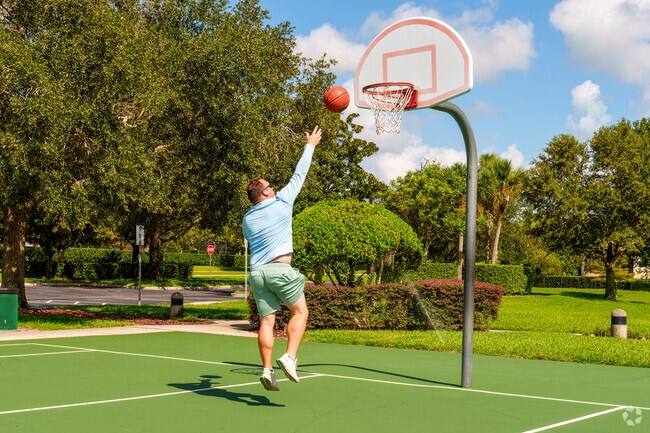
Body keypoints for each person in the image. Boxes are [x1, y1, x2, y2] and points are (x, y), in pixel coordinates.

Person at [242, 125, 322, 391]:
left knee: (266, 322)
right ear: (264, 193)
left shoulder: (247, 218)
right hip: (279, 269)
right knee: (300, 311)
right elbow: (300, 173)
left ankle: (267, 371)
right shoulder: (282, 202)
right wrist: (309, 145)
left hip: (257, 274)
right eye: (270, 186)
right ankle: (289, 357)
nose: (274, 187)